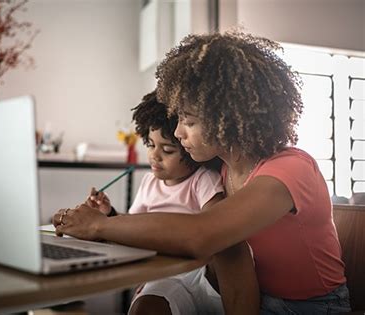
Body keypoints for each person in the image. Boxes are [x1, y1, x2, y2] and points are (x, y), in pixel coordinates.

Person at [53, 31, 351, 314]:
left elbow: (202, 233)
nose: (179, 132)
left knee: (222, 251)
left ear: (231, 119)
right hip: (250, 296)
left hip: (307, 308)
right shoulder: (219, 169)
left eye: (190, 121)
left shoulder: (290, 169)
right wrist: (108, 218)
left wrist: (98, 227)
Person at [84, 91, 257, 314]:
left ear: (188, 151)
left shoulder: (202, 180)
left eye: (167, 149)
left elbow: (216, 228)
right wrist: (110, 214)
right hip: (162, 275)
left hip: (198, 273)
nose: (155, 155)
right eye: (149, 144)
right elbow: (132, 224)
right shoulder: (148, 182)